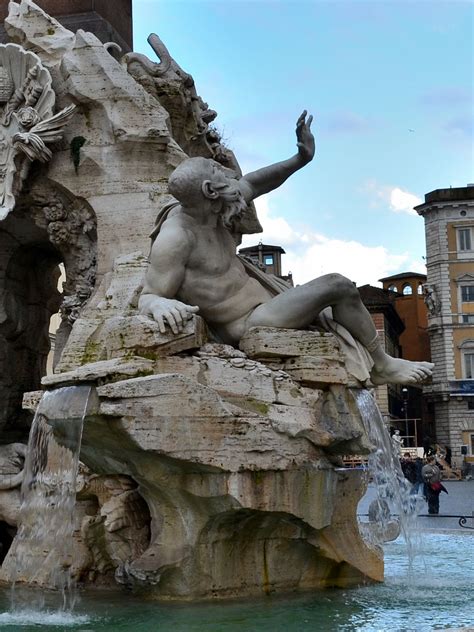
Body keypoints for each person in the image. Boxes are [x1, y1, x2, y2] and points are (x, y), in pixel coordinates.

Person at [139, 111, 434, 386]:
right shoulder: (177, 237)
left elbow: (255, 183)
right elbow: (149, 295)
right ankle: (382, 364)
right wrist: (158, 303)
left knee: (337, 306)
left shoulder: (212, 205)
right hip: (250, 322)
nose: (225, 171)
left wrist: (300, 159)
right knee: (338, 285)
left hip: (269, 300)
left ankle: (379, 362)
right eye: (217, 170)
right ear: (208, 190)